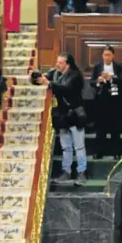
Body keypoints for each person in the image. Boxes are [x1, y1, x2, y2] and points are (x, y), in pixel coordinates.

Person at [37, 52, 87, 185]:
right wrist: (35, 77)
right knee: (66, 147)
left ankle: (82, 173)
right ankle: (66, 172)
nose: (57, 64)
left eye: (60, 63)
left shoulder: (75, 76)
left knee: (79, 146)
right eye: (57, 62)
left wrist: (49, 83)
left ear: (67, 64)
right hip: (62, 115)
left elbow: (66, 88)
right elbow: (43, 79)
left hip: (75, 114)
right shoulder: (55, 73)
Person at [90, 45, 122, 159]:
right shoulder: (97, 66)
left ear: (113, 56)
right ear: (102, 55)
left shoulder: (118, 66)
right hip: (101, 100)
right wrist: (98, 81)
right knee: (101, 128)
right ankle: (99, 152)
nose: (106, 57)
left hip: (115, 100)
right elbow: (91, 81)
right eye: (105, 55)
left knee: (115, 127)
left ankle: (117, 152)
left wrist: (112, 78)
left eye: (109, 55)